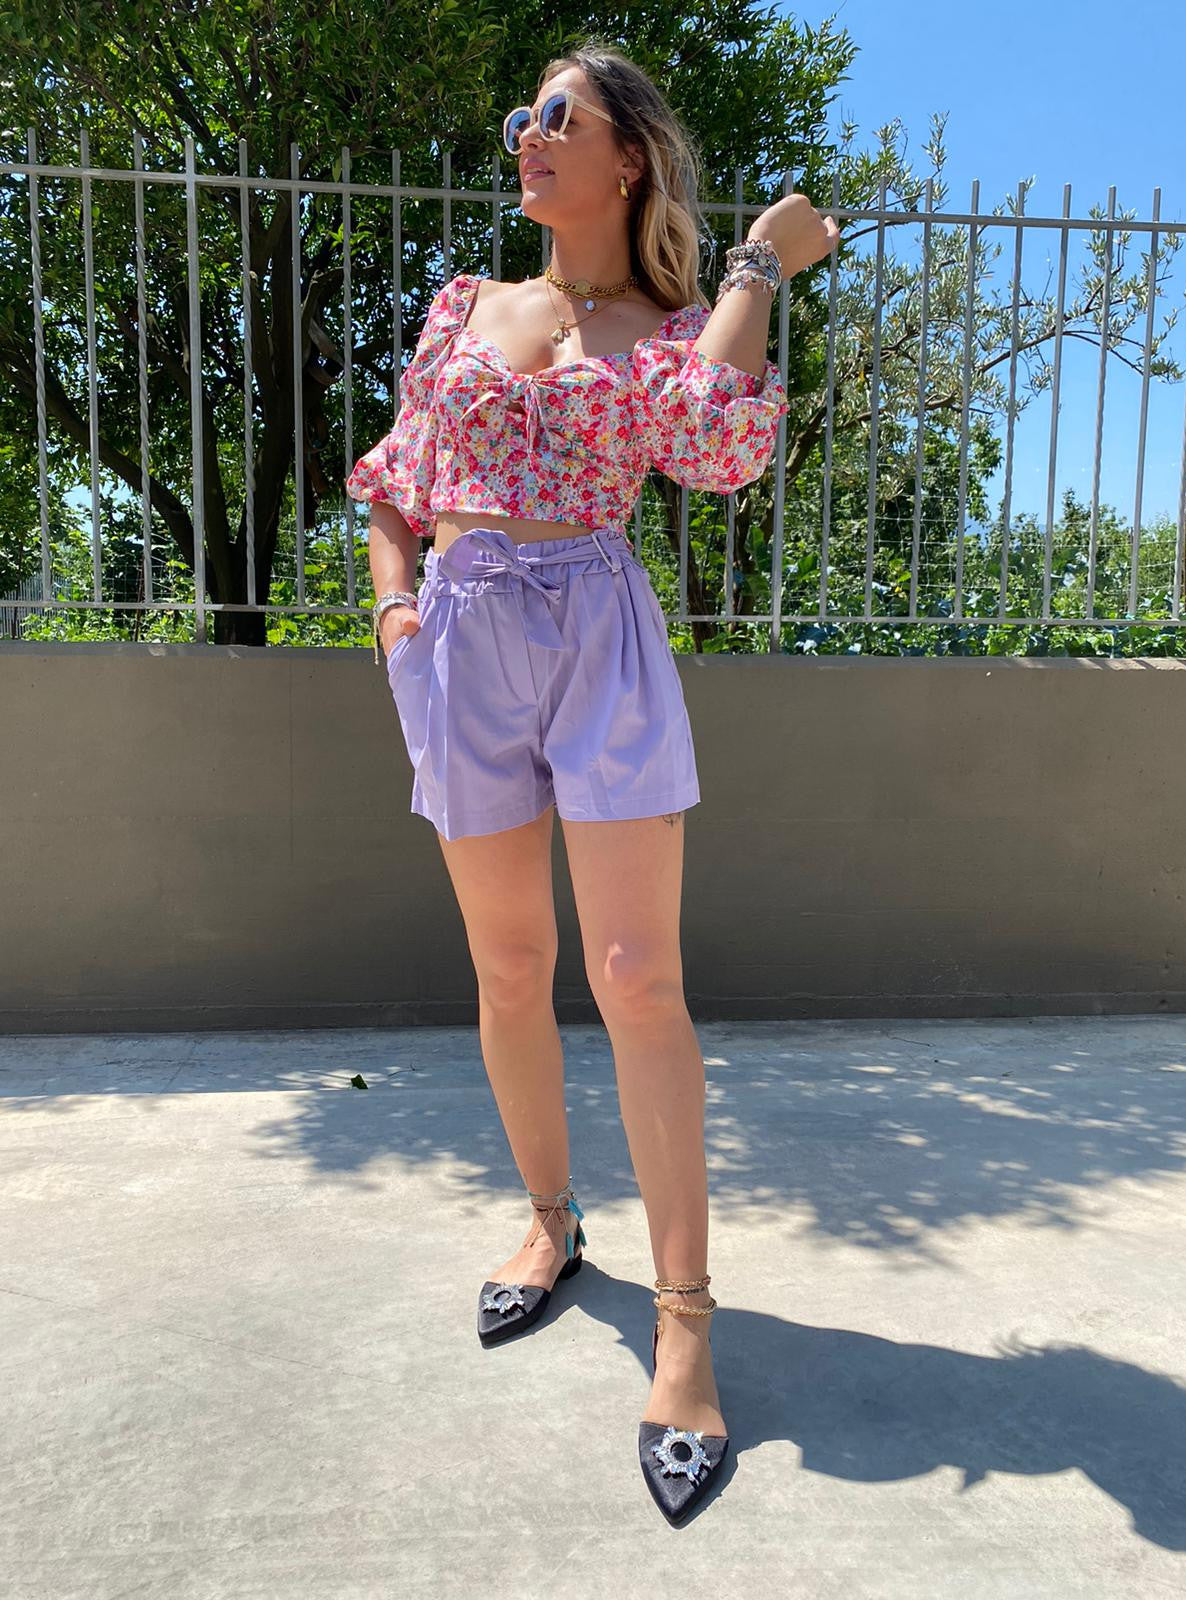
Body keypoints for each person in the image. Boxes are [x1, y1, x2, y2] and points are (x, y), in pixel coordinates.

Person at [346, 42, 837, 1521]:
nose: (529, 134)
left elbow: (717, 445)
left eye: (558, 115)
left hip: (599, 633)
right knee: (509, 965)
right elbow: (392, 483)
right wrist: (395, 612)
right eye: (523, 115)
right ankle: (552, 1225)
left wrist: (758, 263)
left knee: (635, 978)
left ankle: (684, 1326)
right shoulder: (462, 308)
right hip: (462, 637)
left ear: (628, 156)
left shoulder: (671, 332)